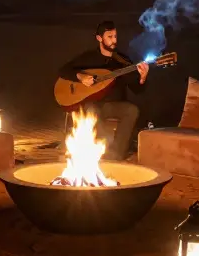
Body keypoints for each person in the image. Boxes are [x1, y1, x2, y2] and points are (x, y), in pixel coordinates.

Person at [56, 20, 148, 160]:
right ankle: (97, 150)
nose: (114, 40)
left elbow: (137, 89)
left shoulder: (122, 62)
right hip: (93, 104)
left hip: (116, 105)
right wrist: (80, 77)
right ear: (99, 38)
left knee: (132, 110)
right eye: (109, 37)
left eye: (115, 36)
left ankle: (116, 154)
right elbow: (63, 70)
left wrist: (142, 77)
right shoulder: (89, 57)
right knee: (92, 109)